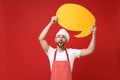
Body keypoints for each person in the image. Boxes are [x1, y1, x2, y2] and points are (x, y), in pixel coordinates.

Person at [39, 16, 97, 80]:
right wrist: (51, 23)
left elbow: (90, 50)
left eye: (63, 37)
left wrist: (94, 34)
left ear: (66, 40)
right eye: (58, 36)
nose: (60, 38)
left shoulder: (72, 52)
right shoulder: (50, 51)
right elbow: (41, 38)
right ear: (55, 39)